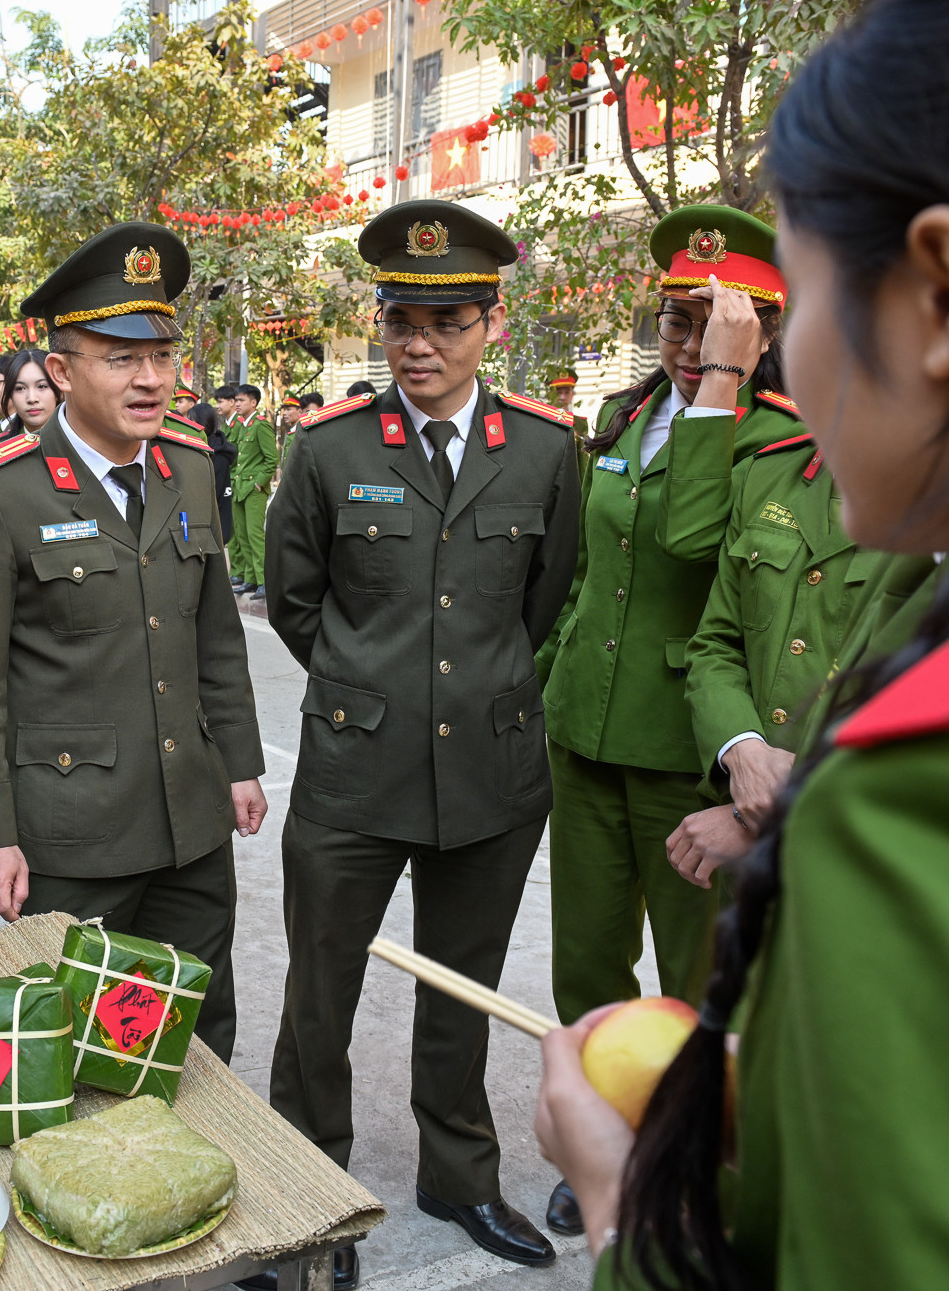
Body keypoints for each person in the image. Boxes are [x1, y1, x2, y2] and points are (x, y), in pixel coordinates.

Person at [539, 0, 949, 1286]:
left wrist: (624, 1219)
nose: (779, 359)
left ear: (944, 293)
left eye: (800, 297)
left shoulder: (944, 812)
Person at [257, 198, 581, 1285]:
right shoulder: (328, 448)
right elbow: (295, 604)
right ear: (380, 325)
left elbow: (544, 600)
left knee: (461, 988)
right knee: (319, 993)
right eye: (401, 321)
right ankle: (313, 1195)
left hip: (489, 771)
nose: (420, 345)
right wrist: (371, 689)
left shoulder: (540, 451)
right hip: (353, 769)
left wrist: (476, 690)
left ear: (490, 323)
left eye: (446, 323)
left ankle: (457, 1174)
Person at [531, 203, 803, 1237]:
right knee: (585, 964)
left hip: (687, 761)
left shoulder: (769, 440)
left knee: (695, 979)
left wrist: (717, 396)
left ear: (759, 331)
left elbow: (693, 549)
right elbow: (591, 578)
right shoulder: (621, 414)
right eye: (673, 321)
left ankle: (687, 1161)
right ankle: (598, 1131)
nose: (686, 345)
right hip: (585, 741)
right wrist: (544, 684)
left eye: (711, 322)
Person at [0, 223, 267, 1064]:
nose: (151, 377)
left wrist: (237, 761)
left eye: (162, 353)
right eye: (120, 358)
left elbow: (215, 637)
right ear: (59, 372)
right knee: (76, 1048)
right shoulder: (0, 491)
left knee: (198, 1040)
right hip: (69, 834)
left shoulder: (189, 465)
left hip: (189, 822)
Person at [662, 434, 882, 896]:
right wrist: (743, 753)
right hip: (748, 850)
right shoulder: (766, 474)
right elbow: (717, 644)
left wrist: (762, 813)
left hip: (862, 854)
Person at [228, 384, 277, 599]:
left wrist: (259, 483)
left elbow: (272, 459)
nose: (237, 404)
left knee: (255, 535)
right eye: (236, 400)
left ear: (253, 403)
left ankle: (264, 581)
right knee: (242, 535)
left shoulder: (260, 426)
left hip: (253, 489)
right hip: (240, 487)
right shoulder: (243, 426)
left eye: (241, 400)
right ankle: (250, 579)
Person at [192, 393, 237, 545]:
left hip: (213, 528)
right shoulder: (206, 449)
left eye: (191, 421)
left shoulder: (217, 455)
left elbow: (213, 495)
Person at [0, 347, 60, 437]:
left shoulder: (81, 443)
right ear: (11, 396)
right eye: (20, 388)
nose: (32, 399)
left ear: (59, 391)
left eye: (42, 386)